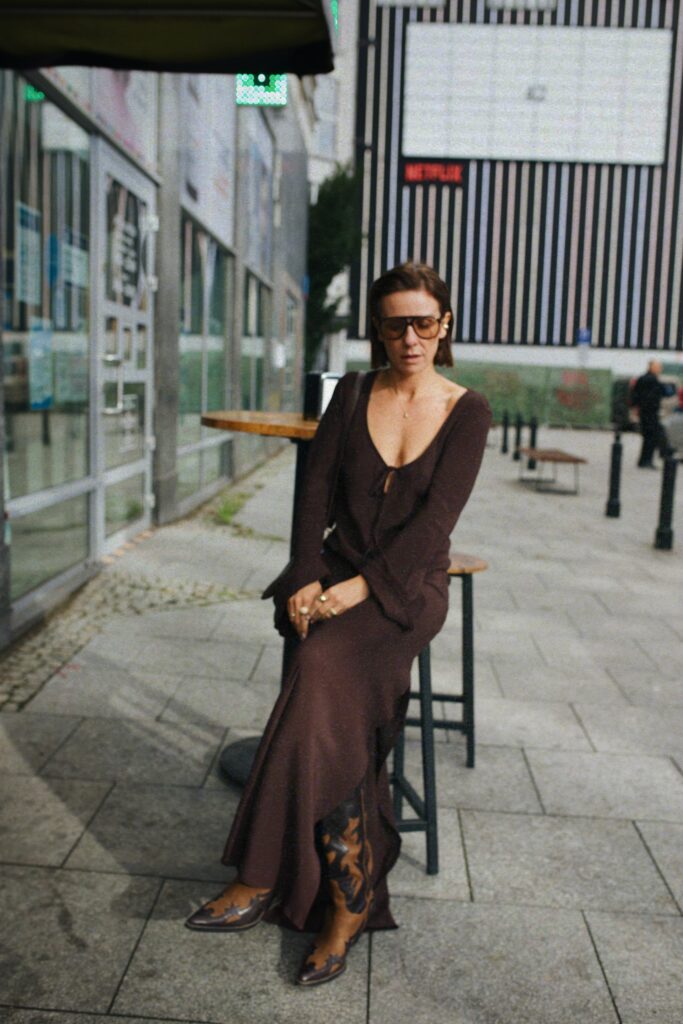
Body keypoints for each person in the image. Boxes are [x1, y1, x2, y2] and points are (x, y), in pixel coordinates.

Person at [185, 263, 491, 987]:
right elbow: (313, 492)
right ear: (376, 329)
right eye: (394, 323)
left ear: (444, 324)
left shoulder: (467, 410)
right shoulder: (351, 393)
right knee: (320, 681)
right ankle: (351, 895)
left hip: (405, 594)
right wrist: (302, 577)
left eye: (423, 322)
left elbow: (433, 526)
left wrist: (356, 591)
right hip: (333, 573)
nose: (409, 337)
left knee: (318, 667)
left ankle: (260, 876)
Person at [630, 359, 672, 468]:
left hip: (644, 412)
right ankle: (647, 461)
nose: (660, 370)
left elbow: (634, 394)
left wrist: (635, 407)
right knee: (651, 438)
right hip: (651, 412)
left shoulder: (641, 379)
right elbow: (664, 392)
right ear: (653, 368)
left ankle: (643, 460)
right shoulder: (653, 380)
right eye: (659, 367)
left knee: (647, 437)